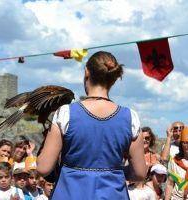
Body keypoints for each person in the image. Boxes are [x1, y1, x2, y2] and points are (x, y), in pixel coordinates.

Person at [37, 51, 147, 199]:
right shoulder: (130, 117)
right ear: (113, 79)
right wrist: (115, 171)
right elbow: (140, 173)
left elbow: (43, 168)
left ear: (86, 72)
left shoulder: (65, 113)